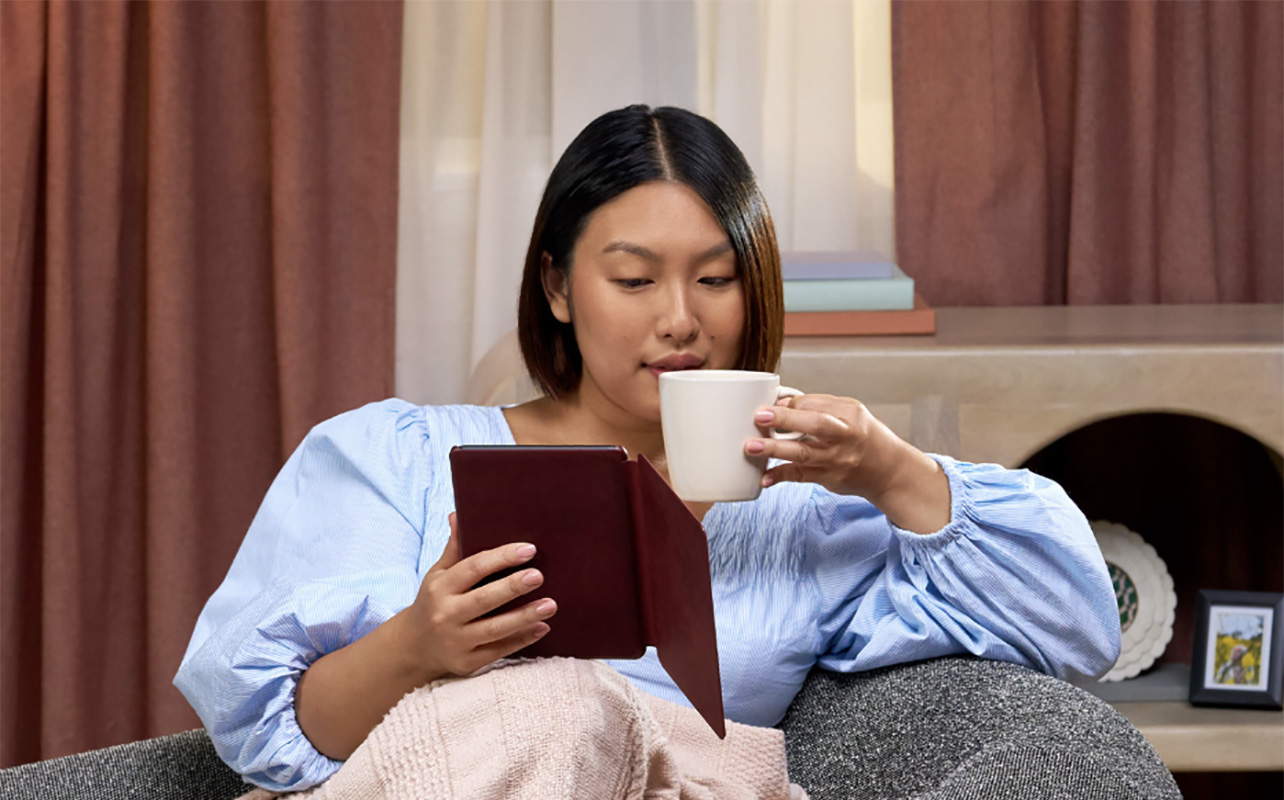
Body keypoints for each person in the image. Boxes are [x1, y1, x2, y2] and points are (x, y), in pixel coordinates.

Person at [175, 105, 1122, 793]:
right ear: (556, 285)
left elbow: (1076, 627)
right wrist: (418, 646)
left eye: (716, 278)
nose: (680, 320)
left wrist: (889, 468)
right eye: (633, 279)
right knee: (556, 708)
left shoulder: (802, 514)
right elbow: (268, 733)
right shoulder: (394, 461)